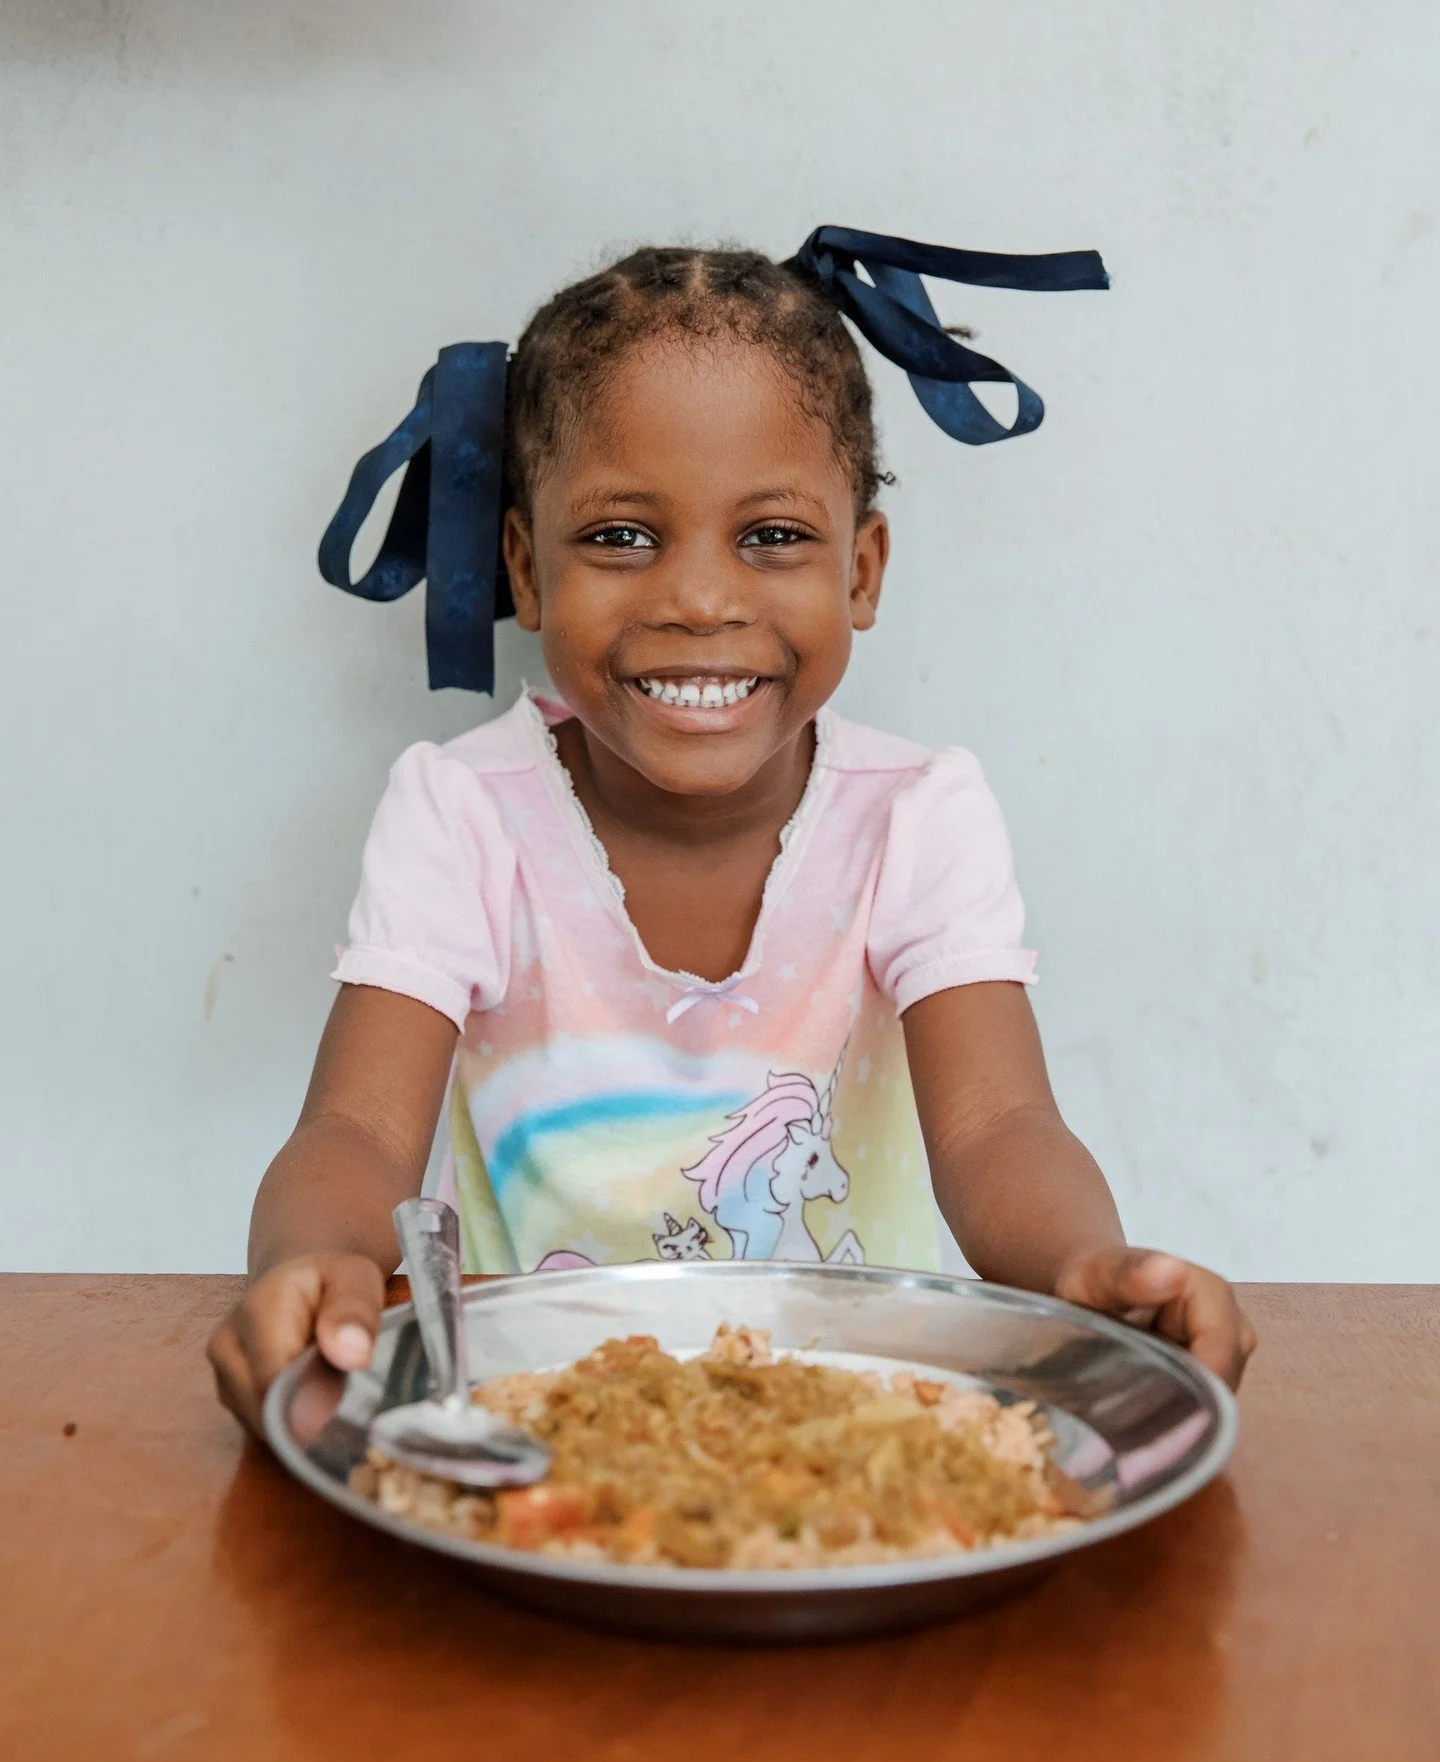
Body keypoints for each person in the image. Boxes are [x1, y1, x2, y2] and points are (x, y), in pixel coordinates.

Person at [208, 230, 1255, 1435]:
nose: (699, 598)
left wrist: (1084, 1274)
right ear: (525, 569)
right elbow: (355, 1129)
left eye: (771, 536)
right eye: (621, 536)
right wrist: (313, 1264)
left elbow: (999, 1125)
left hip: (860, 1414)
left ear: (862, 570)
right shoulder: (463, 813)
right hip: (533, 1419)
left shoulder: (919, 813)